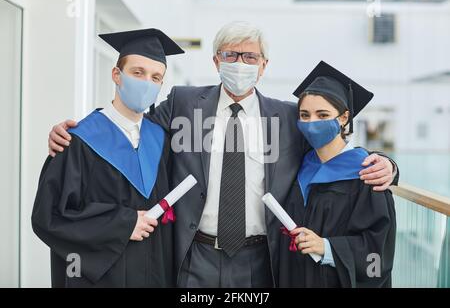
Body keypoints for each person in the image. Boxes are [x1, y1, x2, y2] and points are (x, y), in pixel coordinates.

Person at [46, 22, 398, 287]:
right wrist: (74, 131)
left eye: (250, 56)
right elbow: (129, 124)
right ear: (216, 61)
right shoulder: (184, 104)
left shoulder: (290, 117)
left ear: (264, 65)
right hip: (194, 254)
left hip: (262, 258)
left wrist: (388, 165)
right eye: (230, 55)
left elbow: (331, 149)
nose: (240, 63)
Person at [32, 28, 184, 287]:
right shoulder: (77, 141)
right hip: (99, 279)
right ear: (117, 75)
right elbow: (49, 217)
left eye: (156, 77)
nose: (147, 82)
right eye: (138, 72)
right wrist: (123, 224)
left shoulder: (163, 141)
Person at [278, 61, 396, 287]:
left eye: (322, 115)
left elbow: (377, 254)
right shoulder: (297, 167)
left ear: (343, 118)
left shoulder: (367, 175)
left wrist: (328, 248)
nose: (312, 123)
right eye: (304, 115)